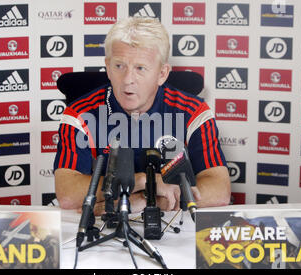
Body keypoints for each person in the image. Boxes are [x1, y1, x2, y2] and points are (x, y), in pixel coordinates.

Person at [54, 17, 230, 215]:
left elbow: (219, 190)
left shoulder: (193, 111)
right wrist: (145, 181)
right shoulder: (79, 113)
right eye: (119, 66)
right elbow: (68, 193)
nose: (128, 80)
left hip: (170, 230)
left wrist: (146, 202)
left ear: (162, 73)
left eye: (140, 68)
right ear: (108, 67)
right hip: (105, 229)